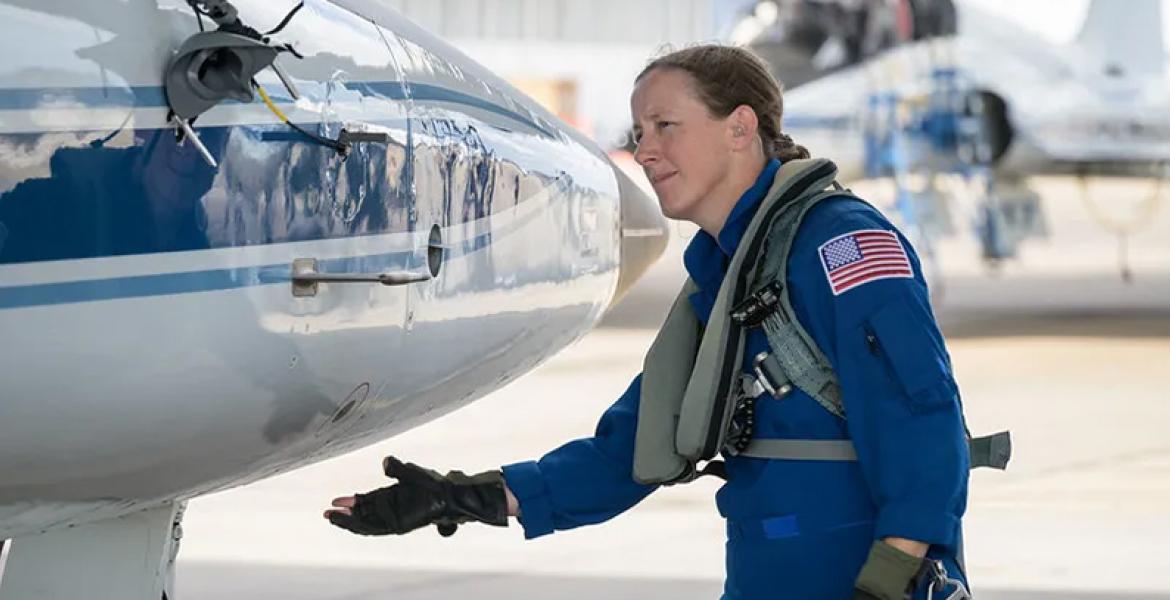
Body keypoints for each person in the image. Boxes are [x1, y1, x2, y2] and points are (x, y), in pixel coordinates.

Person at [324, 44, 973, 600]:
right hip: (769, 574)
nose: (647, 151)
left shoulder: (842, 248)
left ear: (740, 128)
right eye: (639, 133)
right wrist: (463, 497)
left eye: (666, 126)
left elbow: (924, 420)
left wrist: (892, 576)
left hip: (856, 579)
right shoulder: (728, 277)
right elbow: (632, 450)